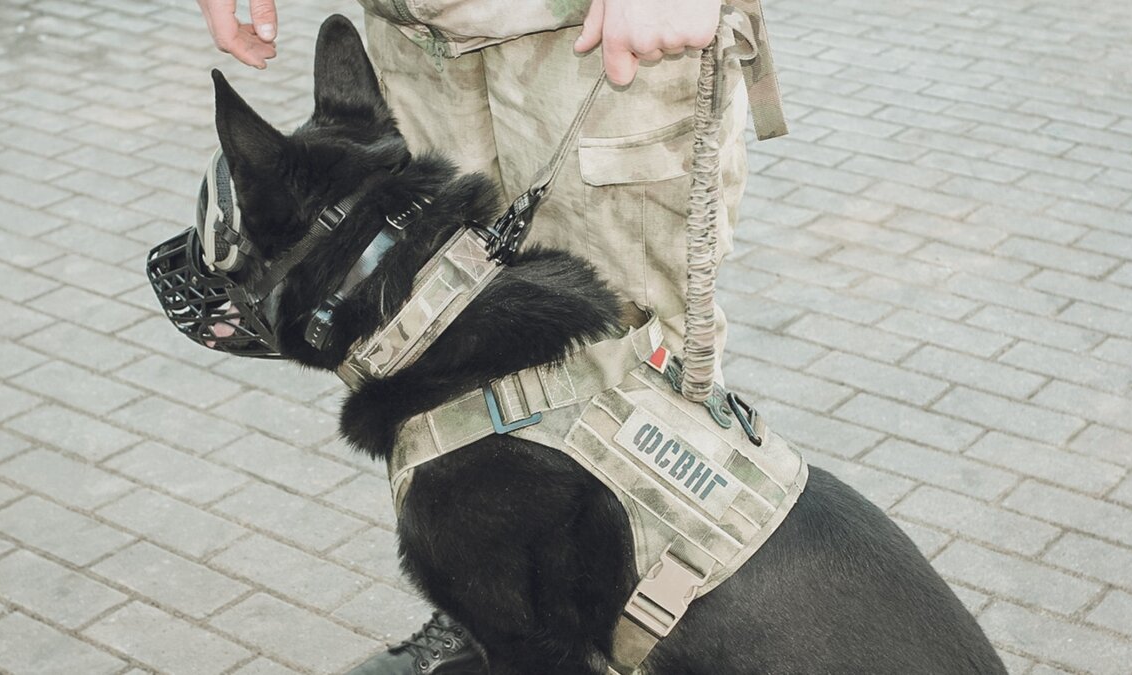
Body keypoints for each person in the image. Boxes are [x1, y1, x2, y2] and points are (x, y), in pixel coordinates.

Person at [196, 1, 750, 672]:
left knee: (630, 368)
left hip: (591, 34)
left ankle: (696, 641)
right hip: (421, 28)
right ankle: (494, 615)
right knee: (448, 366)